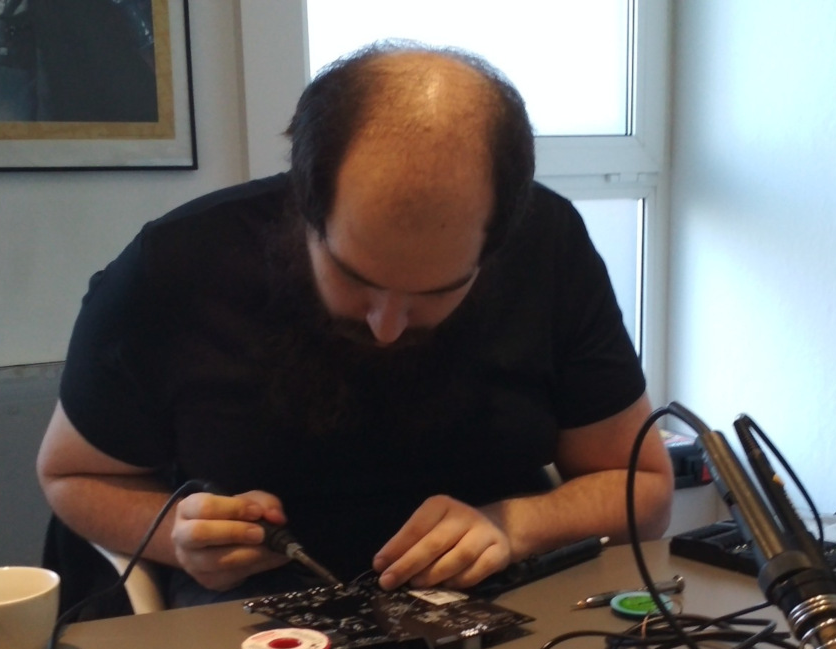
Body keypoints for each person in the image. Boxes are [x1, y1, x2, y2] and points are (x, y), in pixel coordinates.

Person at [37, 43, 673, 611]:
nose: (388, 326)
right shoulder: (173, 268)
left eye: (437, 291)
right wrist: (177, 534)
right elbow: (70, 475)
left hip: (497, 610)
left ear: (496, 240)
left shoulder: (549, 244)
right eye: (356, 279)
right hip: (259, 622)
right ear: (305, 205)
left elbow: (643, 487)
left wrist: (515, 525)